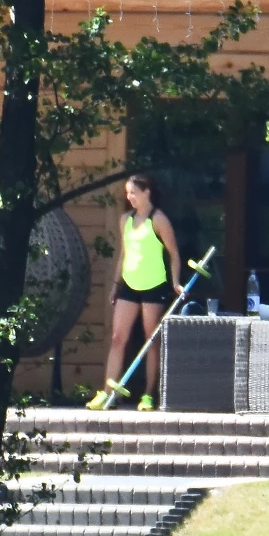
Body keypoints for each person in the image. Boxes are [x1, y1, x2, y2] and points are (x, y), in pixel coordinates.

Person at [86, 174, 183, 411]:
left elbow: (174, 255)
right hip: (129, 284)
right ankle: (108, 392)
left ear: (146, 192)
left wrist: (176, 282)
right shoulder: (125, 220)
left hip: (154, 285)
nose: (130, 198)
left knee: (151, 340)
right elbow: (124, 254)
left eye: (133, 193)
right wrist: (115, 285)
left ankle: (149, 395)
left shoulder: (158, 219)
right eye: (127, 193)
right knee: (118, 337)